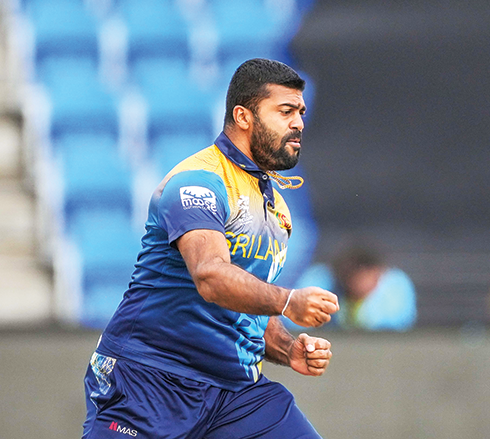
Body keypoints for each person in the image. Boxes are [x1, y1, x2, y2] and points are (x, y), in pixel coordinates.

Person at [82, 58, 340, 439]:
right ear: (243, 116)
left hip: (236, 395)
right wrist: (288, 301)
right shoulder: (199, 182)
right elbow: (211, 276)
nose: (299, 123)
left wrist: (287, 349)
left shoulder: (278, 210)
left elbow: (248, 302)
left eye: (300, 112)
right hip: (151, 381)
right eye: (285, 111)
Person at [330, 245, 416, 331]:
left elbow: (399, 324)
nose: (356, 283)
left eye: (362, 277)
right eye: (351, 278)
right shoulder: (335, 290)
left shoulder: (396, 286)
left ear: (375, 273)